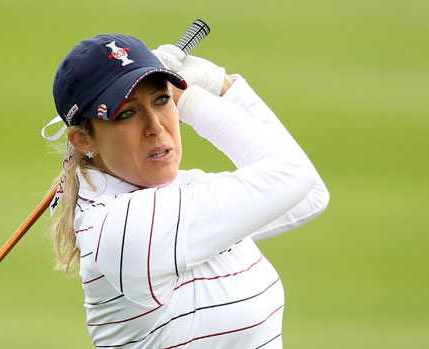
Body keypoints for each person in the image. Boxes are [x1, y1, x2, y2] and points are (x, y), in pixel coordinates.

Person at [45, 33, 329, 348]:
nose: (156, 125)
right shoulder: (124, 226)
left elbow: (309, 194)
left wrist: (225, 88)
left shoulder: (180, 189)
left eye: (161, 100)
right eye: (126, 113)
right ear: (84, 141)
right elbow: (291, 174)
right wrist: (192, 97)